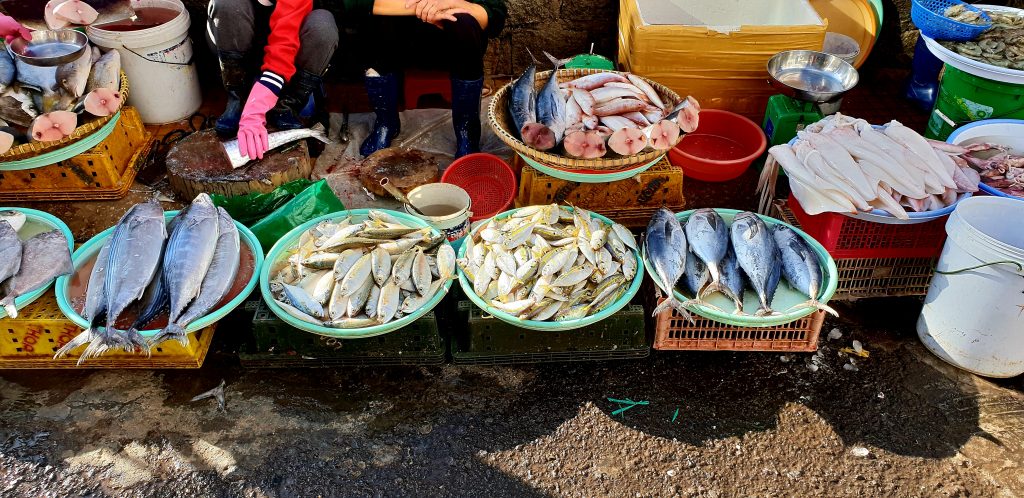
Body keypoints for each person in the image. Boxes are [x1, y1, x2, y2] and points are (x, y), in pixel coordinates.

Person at [350, 0, 507, 158]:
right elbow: (352, 4)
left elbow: (495, 16)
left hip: (453, 45)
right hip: (400, 45)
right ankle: (386, 123)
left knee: (463, 20)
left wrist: (454, 4)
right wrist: (423, 7)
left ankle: (467, 136)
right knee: (379, 19)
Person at [206, 0, 339, 160]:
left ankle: (287, 105)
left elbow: (284, 42)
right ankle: (238, 98)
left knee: (322, 26)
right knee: (228, 3)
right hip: (241, 45)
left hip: (290, 54)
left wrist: (258, 105)